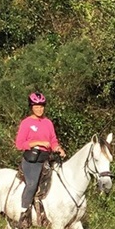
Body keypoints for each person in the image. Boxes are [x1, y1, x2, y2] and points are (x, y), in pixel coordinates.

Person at [14, 92, 66, 221]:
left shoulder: (48, 123)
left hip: (45, 158)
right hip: (32, 160)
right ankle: (23, 214)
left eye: (41, 106)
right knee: (32, 184)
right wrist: (38, 142)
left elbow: (53, 140)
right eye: (36, 106)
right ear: (31, 107)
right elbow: (19, 144)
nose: (39, 109)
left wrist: (58, 148)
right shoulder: (26, 123)